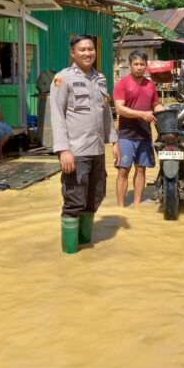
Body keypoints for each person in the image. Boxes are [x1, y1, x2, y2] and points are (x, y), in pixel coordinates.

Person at [50, 35, 118, 254]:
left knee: (95, 198)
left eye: (90, 49)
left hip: (97, 150)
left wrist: (114, 141)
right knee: (74, 202)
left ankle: (85, 246)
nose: (88, 53)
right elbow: (57, 116)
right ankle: (70, 254)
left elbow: (106, 112)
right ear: (73, 53)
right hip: (76, 152)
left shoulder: (101, 79)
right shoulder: (63, 79)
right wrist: (63, 150)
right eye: (82, 49)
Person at [113, 50, 164, 207]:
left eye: (142, 64)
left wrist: (168, 114)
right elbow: (119, 109)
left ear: (146, 66)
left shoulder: (150, 85)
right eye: (136, 64)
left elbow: (156, 105)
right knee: (123, 170)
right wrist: (141, 114)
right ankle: (121, 207)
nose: (139, 67)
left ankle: (136, 206)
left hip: (144, 135)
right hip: (126, 135)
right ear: (130, 66)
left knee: (141, 170)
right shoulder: (122, 84)